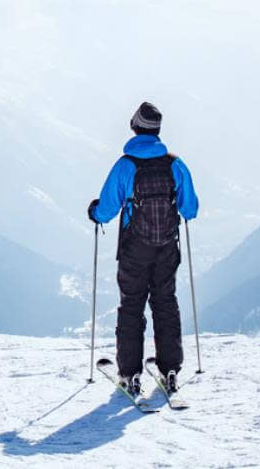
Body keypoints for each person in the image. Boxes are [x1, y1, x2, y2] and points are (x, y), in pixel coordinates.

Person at [87, 101, 198, 397]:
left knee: (131, 307)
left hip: (134, 250)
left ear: (136, 128)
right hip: (166, 249)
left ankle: (130, 374)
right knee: (165, 303)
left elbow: (107, 208)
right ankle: (170, 369)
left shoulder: (126, 166)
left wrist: (94, 213)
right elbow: (191, 208)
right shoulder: (175, 164)